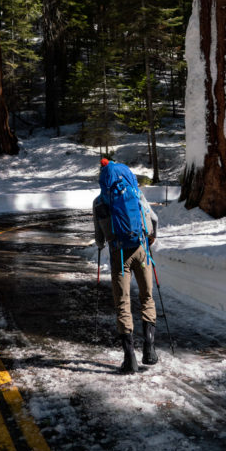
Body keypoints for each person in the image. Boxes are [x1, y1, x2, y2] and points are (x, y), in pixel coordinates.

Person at [93, 157, 158, 374]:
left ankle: (129, 358)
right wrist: (150, 240)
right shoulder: (136, 193)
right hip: (142, 251)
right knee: (147, 297)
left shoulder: (100, 202)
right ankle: (149, 348)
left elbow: (99, 238)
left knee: (123, 302)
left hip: (119, 254)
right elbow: (153, 219)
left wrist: (104, 241)